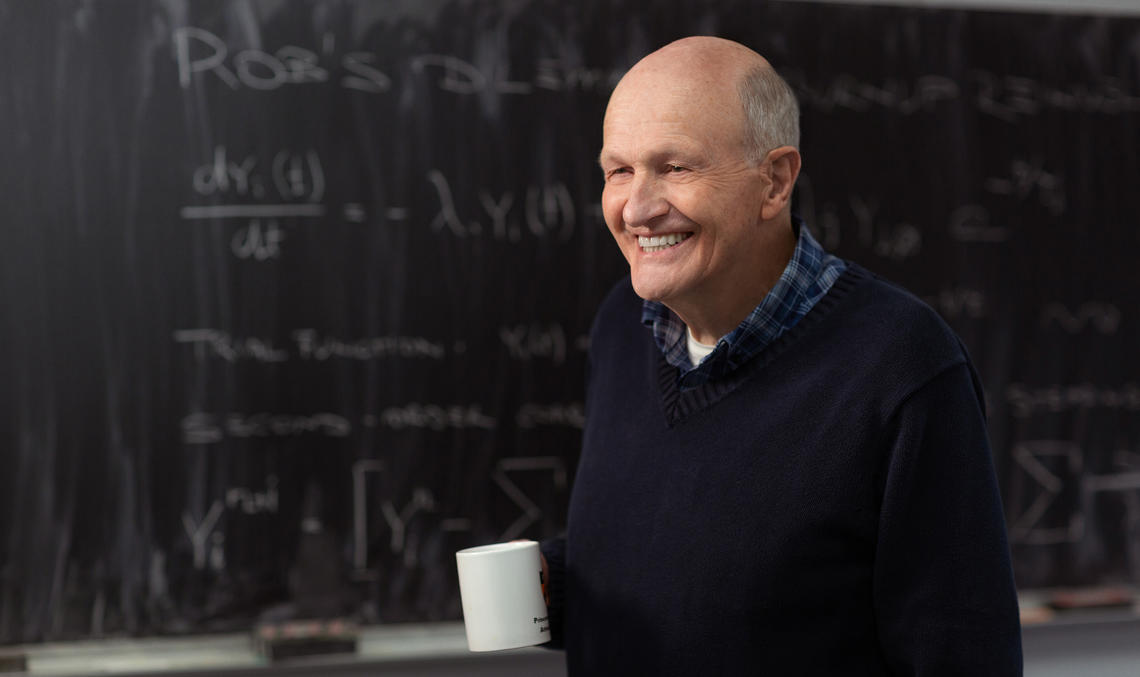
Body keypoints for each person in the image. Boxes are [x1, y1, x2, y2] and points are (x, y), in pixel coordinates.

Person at [539, 36, 1023, 675]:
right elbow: (699, 577)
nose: (637, 207)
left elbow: (962, 657)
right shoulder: (620, 327)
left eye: (676, 167)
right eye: (618, 170)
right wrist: (551, 584)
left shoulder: (902, 366)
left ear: (774, 180)